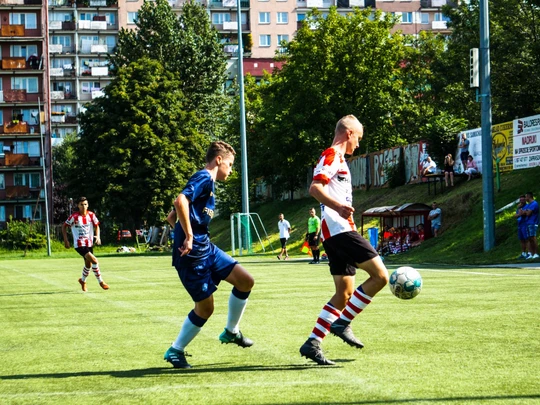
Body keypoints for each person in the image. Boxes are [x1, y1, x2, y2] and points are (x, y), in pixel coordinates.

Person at [299, 115, 389, 366]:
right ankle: (342, 322)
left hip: (333, 232)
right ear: (349, 133)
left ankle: (312, 343)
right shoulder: (332, 155)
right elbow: (315, 188)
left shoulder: (338, 159)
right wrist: (339, 207)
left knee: (344, 293)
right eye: (358, 138)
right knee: (381, 276)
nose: (358, 144)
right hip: (340, 229)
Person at [164, 141, 255, 369]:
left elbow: (171, 216)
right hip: (192, 257)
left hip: (207, 249)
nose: (231, 170)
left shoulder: (209, 184)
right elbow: (179, 201)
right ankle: (175, 350)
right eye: (231, 164)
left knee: (245, 281)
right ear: (219, 160)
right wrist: (188, 236)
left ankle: (231, 331)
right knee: (205, 309)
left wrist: (186, 232)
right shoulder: (204, 177)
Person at [62, 197, 109, 292]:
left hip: (89, 243)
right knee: (95, 260)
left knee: (88, 265)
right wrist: (66, 240)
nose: (84, 206)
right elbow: (64, 226)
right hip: (79, 244)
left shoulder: (91, 215)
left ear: (88, 205)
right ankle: (101, 282)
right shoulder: (74, 217)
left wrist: (98, 236)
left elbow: (97, 226)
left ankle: (82, 281)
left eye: (85, 204)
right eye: (81, 204)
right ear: (78, 206)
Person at [523, 191, 539, 260]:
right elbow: (524, 212)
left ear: (529, 197)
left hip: (533, 223)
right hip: (528, 223)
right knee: (529, 239)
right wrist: (524, 212)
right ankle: (532, 253)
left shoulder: (534, 204)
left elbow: (528, 213)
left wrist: (524, 212)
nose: (525, 198)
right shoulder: (529, 205)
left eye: (526, 197)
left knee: (533, 238)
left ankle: (536, 253)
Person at [514, 195, 529, 259]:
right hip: (519, 224)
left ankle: (529, 253)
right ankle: (523, 253)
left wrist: (521, 213)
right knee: (521, 239)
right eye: (520, 200)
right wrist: (519, 213)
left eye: (523, 200)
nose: (521, 201)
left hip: (525, 224)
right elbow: (516, 215)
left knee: (527, 239)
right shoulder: (518, 207)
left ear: (525, 200)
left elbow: (524, 214)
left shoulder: (527, 206)